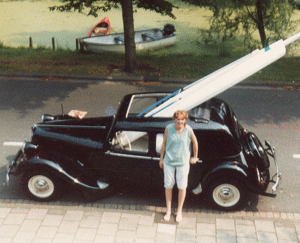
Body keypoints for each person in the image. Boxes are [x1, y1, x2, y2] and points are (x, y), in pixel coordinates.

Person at [159, 110, 198, 222]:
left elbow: (195, 143)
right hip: (169, 162)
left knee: (182, 187)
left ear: (185, 119)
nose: (180, 121)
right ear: (174, 119)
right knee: (168, 185)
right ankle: (169, 210)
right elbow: (164, 143)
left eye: (182, 119)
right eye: (178, 119)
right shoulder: (168, 128)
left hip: (183, 163)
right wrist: (161, 159)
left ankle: (179, 211)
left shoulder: (188, 130)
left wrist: (195, 157)